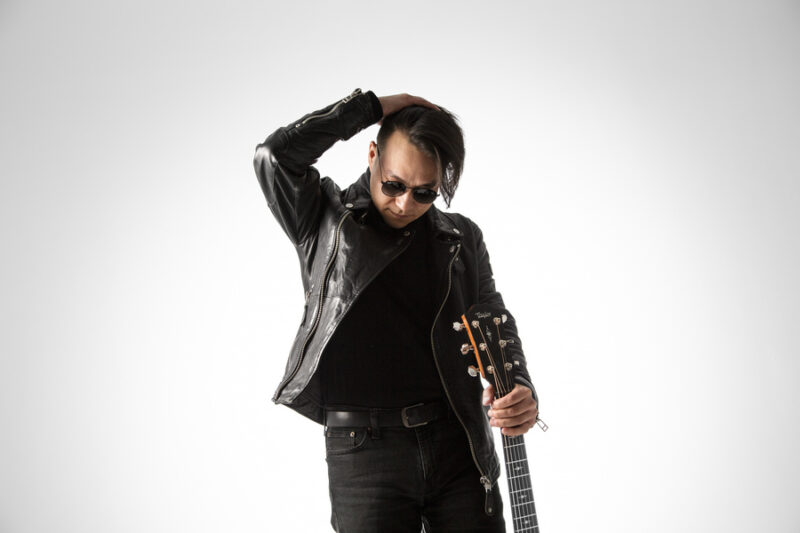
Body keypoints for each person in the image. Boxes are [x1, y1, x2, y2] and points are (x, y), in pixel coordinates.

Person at [253, 89, 541, 532]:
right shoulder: (325, 218)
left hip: (458, 441)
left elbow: (491, 317)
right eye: (394, 185)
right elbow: (275, 155)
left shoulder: (461, 237)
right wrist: (371, 107)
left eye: (425, 193)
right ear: (373, 155)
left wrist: (519, 383)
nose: (405, 204)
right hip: (364, 452)